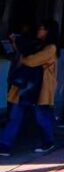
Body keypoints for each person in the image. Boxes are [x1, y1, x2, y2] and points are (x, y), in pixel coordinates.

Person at [0, 20, 60, 156]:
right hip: (25, 87)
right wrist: (16, 42)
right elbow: (24, 54)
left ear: (48, 31)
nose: (39, 31)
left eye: (42, 28)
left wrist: (23, 57)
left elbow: (31, 61)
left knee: (41, 117)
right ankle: (4, 145)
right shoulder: (36, 43)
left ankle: (48, 141)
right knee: (14, 117)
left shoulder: (51, 48)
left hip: (39, 88)